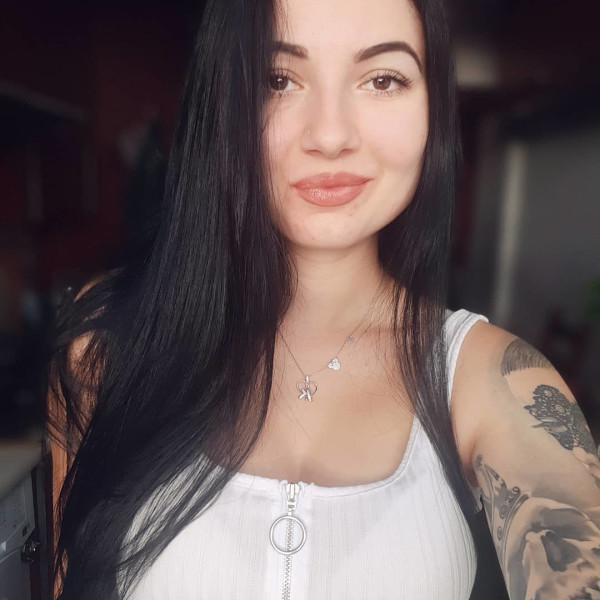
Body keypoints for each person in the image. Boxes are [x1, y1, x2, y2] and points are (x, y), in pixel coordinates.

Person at [47, 0, 600, 598]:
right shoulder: (107, 342)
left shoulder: (491, 378)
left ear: (432, 108)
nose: (331, 136)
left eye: (382, 79)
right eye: (276, 80)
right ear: (220, 105)